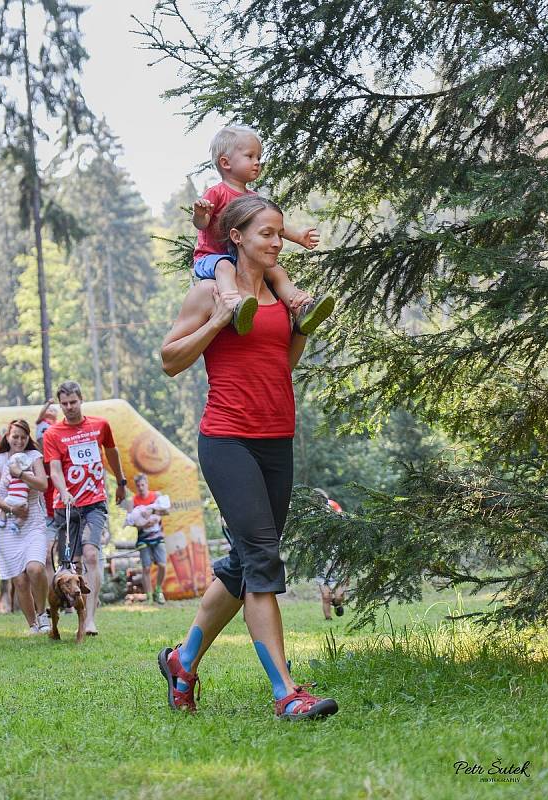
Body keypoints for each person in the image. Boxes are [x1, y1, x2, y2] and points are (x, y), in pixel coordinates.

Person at [159, 194, 338, 720]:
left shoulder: (280, 299)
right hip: (227, 440)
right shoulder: (208, 290)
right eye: (266, 234)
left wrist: (300, 331)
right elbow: (170, 360)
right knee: (262, 558)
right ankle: (285, 693)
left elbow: (280, 364)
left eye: (280, 235)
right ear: (235, 237)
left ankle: (182, 661)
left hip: (276, 437)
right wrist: (216, 321)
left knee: (243, 563)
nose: (277, 243)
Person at [193, 125, 335, 335]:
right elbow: (202, 225)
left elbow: (272, 227)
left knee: (276, 270)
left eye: (258, 156)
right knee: (225, 267)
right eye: (250, 156)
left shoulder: (254, 199)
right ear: (225, 163)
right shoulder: (217, 193)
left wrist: (298, 237)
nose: (257, 162)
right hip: (212, 258)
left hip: (243, 259)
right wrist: (200, 214)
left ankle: (300, 307)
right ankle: (233, 307)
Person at [44, 380, 127, 636]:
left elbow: (112, 454)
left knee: (92, 554)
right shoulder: (53, 434)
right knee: (73, 564)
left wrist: (121, 481)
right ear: (60, 404)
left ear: (81, 400)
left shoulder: (100, 426)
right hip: (66, 506)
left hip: (95, 502)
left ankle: (91, 617)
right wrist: (64, 490)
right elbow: (55, 470)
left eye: (73, 402)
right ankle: (75, 611)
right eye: (64, 403)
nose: (69, 407)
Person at [0, 419, 50, 634]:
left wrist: (21, 473)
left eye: (23, 437)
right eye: (15, 437)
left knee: (35, 568)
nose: (19, 441)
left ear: (27, 438)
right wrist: (11, 509)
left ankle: (43, 615)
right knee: (20, 580)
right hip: (7, 523)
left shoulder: (33, 457)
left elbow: (43, 484)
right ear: (7, 437)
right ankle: (32, 625)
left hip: (33, 521)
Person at [124, 473, 170, 605]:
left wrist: (153, 513)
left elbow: (167, 511)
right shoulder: (133, 501)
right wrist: (142, 524)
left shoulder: (156, 496)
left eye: (143, 485)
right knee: (146, 568)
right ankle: (149, 596)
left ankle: (158, 590)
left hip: (158, 536)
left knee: (162, 564)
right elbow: (130, 520)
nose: (141, 487)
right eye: (138, 486)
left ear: (147, 484)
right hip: (143, 538)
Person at [35, 399, 60, 587]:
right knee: (47, 556)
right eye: (42, 439)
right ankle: (54, 595)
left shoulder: (58, 430)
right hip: (48, 515)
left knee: (70, 556)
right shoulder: (36, 460)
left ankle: (74, 596)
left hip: (64, 511)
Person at [313, 488, 347, 620]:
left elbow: (342, 522)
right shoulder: (309, 512)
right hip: (320, 560)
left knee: (339, 596)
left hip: (335, 558)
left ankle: (337, 604)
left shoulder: (333, 506)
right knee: (326, 596)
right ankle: (328, 620)